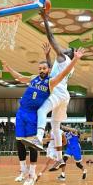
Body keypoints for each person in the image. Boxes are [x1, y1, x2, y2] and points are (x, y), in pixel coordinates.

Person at [3, 47, 84, 185]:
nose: (41, 70)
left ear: (49, 70)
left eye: (44, 68)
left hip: (33, 114)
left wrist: (75, 60)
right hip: (21, 111)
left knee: (32, 145)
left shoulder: (51, 82)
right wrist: (8, 68)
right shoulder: (34, 78)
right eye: (39, 68)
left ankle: (32, 174)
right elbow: (19, 77)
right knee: (19, 142)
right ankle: (23, 171)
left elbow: (64, 72)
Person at [22, 11, 77, 172]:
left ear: (69, 54)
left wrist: (46, 20)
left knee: (41, 110)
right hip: (63, 96)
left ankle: (38, 139)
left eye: (67, 49)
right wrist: (47, 55)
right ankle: (60, 159)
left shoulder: (64, 57)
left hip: (57, 94)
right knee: (55, 127)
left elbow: (51, 38)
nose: (64, 48)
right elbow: (53, 72)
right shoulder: (63, 64)